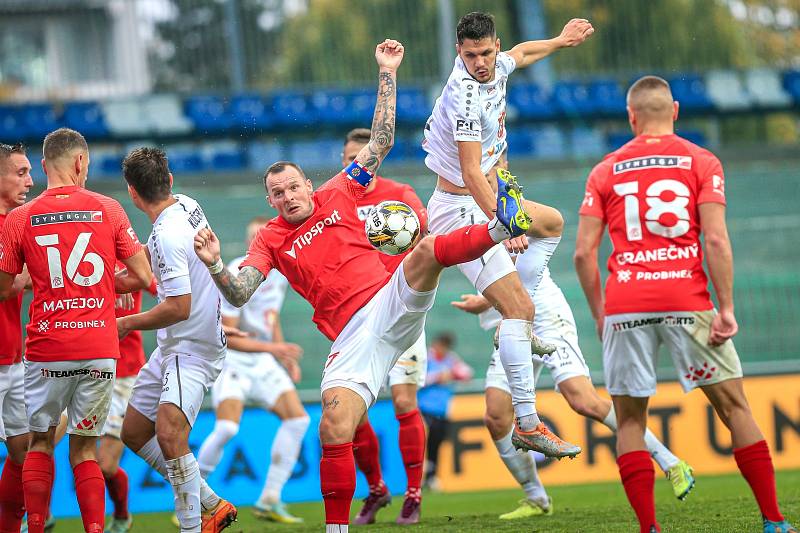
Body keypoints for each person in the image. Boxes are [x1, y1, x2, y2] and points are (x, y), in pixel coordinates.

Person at [193, 39, 531, 532]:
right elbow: (241, 292)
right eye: (277, 194)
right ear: (270, 201)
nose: (287, 198)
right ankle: (338, 528)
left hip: (387, 301)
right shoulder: (269, 239)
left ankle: (501, 225)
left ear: (309, 185)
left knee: (421, 252)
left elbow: (382, 138)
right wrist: (216, 265)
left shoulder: (340, 189)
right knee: (335, 426)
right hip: (350, 338)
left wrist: (387, 71)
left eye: (292, 188)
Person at [574, 75, 797, 533]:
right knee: (735, 408)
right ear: (675, 110)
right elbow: (715, 237)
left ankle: (650, 529)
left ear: (631, 117)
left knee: (631, 419)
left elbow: (582, 254)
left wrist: (601, 313)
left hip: (625, 303)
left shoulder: (605, 170)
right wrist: (727, 307)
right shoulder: (701, 161)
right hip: (687, 297)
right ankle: (773, 522)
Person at [452, 153, 694, 521]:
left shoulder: (513, 209)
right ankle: (536, 497)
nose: (481, 180)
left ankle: (671, 462)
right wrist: (482, 302)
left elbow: (523, 275)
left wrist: (485, 300)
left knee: (583, 400)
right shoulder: (465, 213)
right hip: (510, 319)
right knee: (495, 417)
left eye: (490, 174)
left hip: (544, 315)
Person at [422, 11, 593, 456]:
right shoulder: (462, 94)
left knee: (552, 223)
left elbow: (523, 53)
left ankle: (509, 321)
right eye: (469, 54)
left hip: (488, 193)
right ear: (459, 52)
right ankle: (529, 423)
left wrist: (560, 39)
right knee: (520, 308)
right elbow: (470, 172)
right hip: (460, 208)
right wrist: (505, 222)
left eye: (485, 52)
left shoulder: (499, 63)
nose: (479, 62)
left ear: (494, 45)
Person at [0, 128, 152, 533]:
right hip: (100, 345)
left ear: (45, 165)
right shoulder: (109, 208)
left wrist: (45, 283)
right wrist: (99, 288)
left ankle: (35, 527)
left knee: (40, 444)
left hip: (47, 347)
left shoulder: (19, 218)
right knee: (85, 450)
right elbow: (141, 275)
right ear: (80, 162)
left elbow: (3, 287)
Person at [117, 147, 237, 533]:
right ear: (169, 181)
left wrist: (125, 323)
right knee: (134, 431)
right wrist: (113, 279)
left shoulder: (168, 232)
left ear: (132, 194)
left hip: (193, 346)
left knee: (169, 435)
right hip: (174, 346)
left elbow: (179, 306)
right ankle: (211, 503)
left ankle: (192, 526)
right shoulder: (187, 203)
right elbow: (154, 263)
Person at [340, 128, 429, 525]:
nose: (355, 163)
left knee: (405, 404)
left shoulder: (401, 194)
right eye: (348, 158)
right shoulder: (335, 201)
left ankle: (413, 493)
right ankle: (376, 489)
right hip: (354, 319)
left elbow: (426, 237)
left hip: (400, 312)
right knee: (354, 415)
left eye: (361, 156)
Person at [195, 216, 309, 524]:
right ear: (249, 243)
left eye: (263, 237)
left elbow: (271, 319)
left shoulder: (279, 275)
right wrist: (275, 350)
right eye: (254, 238)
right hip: (233, 361)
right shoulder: (234, 273)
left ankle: (270, 499)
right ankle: (192, 500)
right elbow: (229, 336)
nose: (259, 242)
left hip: (263, 360)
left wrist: (284, 356)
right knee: (227, 428)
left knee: (298, 420)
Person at [0, 142, 33, 533]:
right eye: (20, 173)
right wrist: (26, 276)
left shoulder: (15, 224)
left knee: (24, 453)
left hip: (14, 359)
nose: (30, 180)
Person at [417, 333, 472, 491]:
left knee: (437, 443)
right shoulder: (425, 358)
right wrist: (438, 377)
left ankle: (431, 476)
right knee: (424, 441)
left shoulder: (450, 359)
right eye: (440, 345)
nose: (441, 349)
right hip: (424, 408)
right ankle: (421, 477)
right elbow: (418, 379)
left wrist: (454, 374)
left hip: (442, 410)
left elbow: (467, 373)